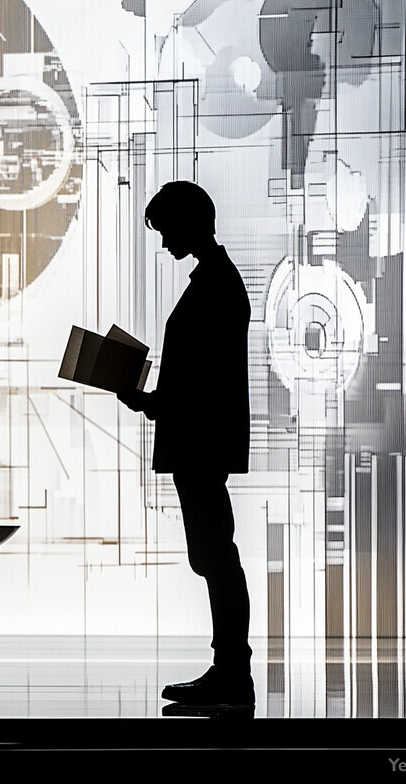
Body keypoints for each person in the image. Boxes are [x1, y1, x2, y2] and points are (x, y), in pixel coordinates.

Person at [118, 181, 254, 709]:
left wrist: (151, 402)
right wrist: (154, 400)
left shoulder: (216, 284)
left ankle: (231, 673)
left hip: (200, 442)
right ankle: (229, 670)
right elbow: (201, 378)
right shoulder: (216, 279)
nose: (163, 240)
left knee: (216, 555)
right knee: (214, 553)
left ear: (188, 221)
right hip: (201, 439)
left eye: (166, 228)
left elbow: (202, 383)